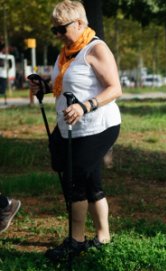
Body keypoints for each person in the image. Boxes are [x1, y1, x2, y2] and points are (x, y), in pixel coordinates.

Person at [29, 0, 122, 260]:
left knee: (74, 179)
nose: (58, 35)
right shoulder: (66, 52)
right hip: (71, 127)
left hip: (98, 126)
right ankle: (103, 236)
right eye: (54, 30)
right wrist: (45, 88)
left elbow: (115, 88)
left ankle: (76, 241)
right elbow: (69, 86)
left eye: (61, 29)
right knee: (91, 179)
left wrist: (85, 106)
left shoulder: (96, 48)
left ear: (80, 23)